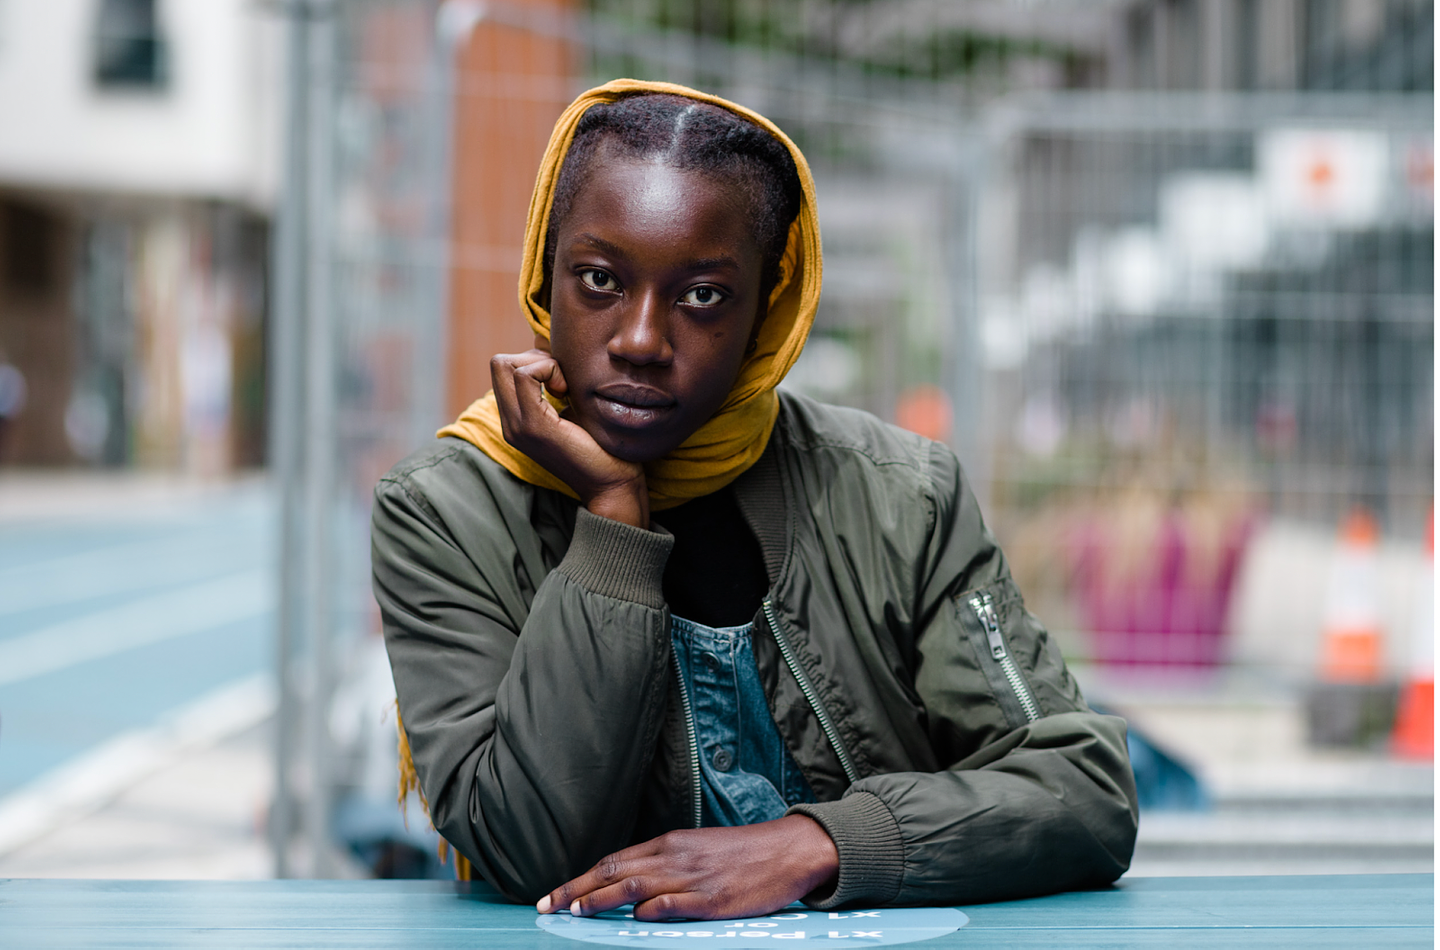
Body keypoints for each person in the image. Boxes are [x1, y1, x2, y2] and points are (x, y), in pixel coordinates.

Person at [372, 79, 1137, 922]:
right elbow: (524, 847)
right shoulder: (445, 511)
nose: (638, 340)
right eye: (598, 280)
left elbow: (1084, 787)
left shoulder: (900, 496)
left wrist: (822, 844)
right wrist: (615, 519)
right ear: (543, 274)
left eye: (701, 295)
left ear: (768, 308)